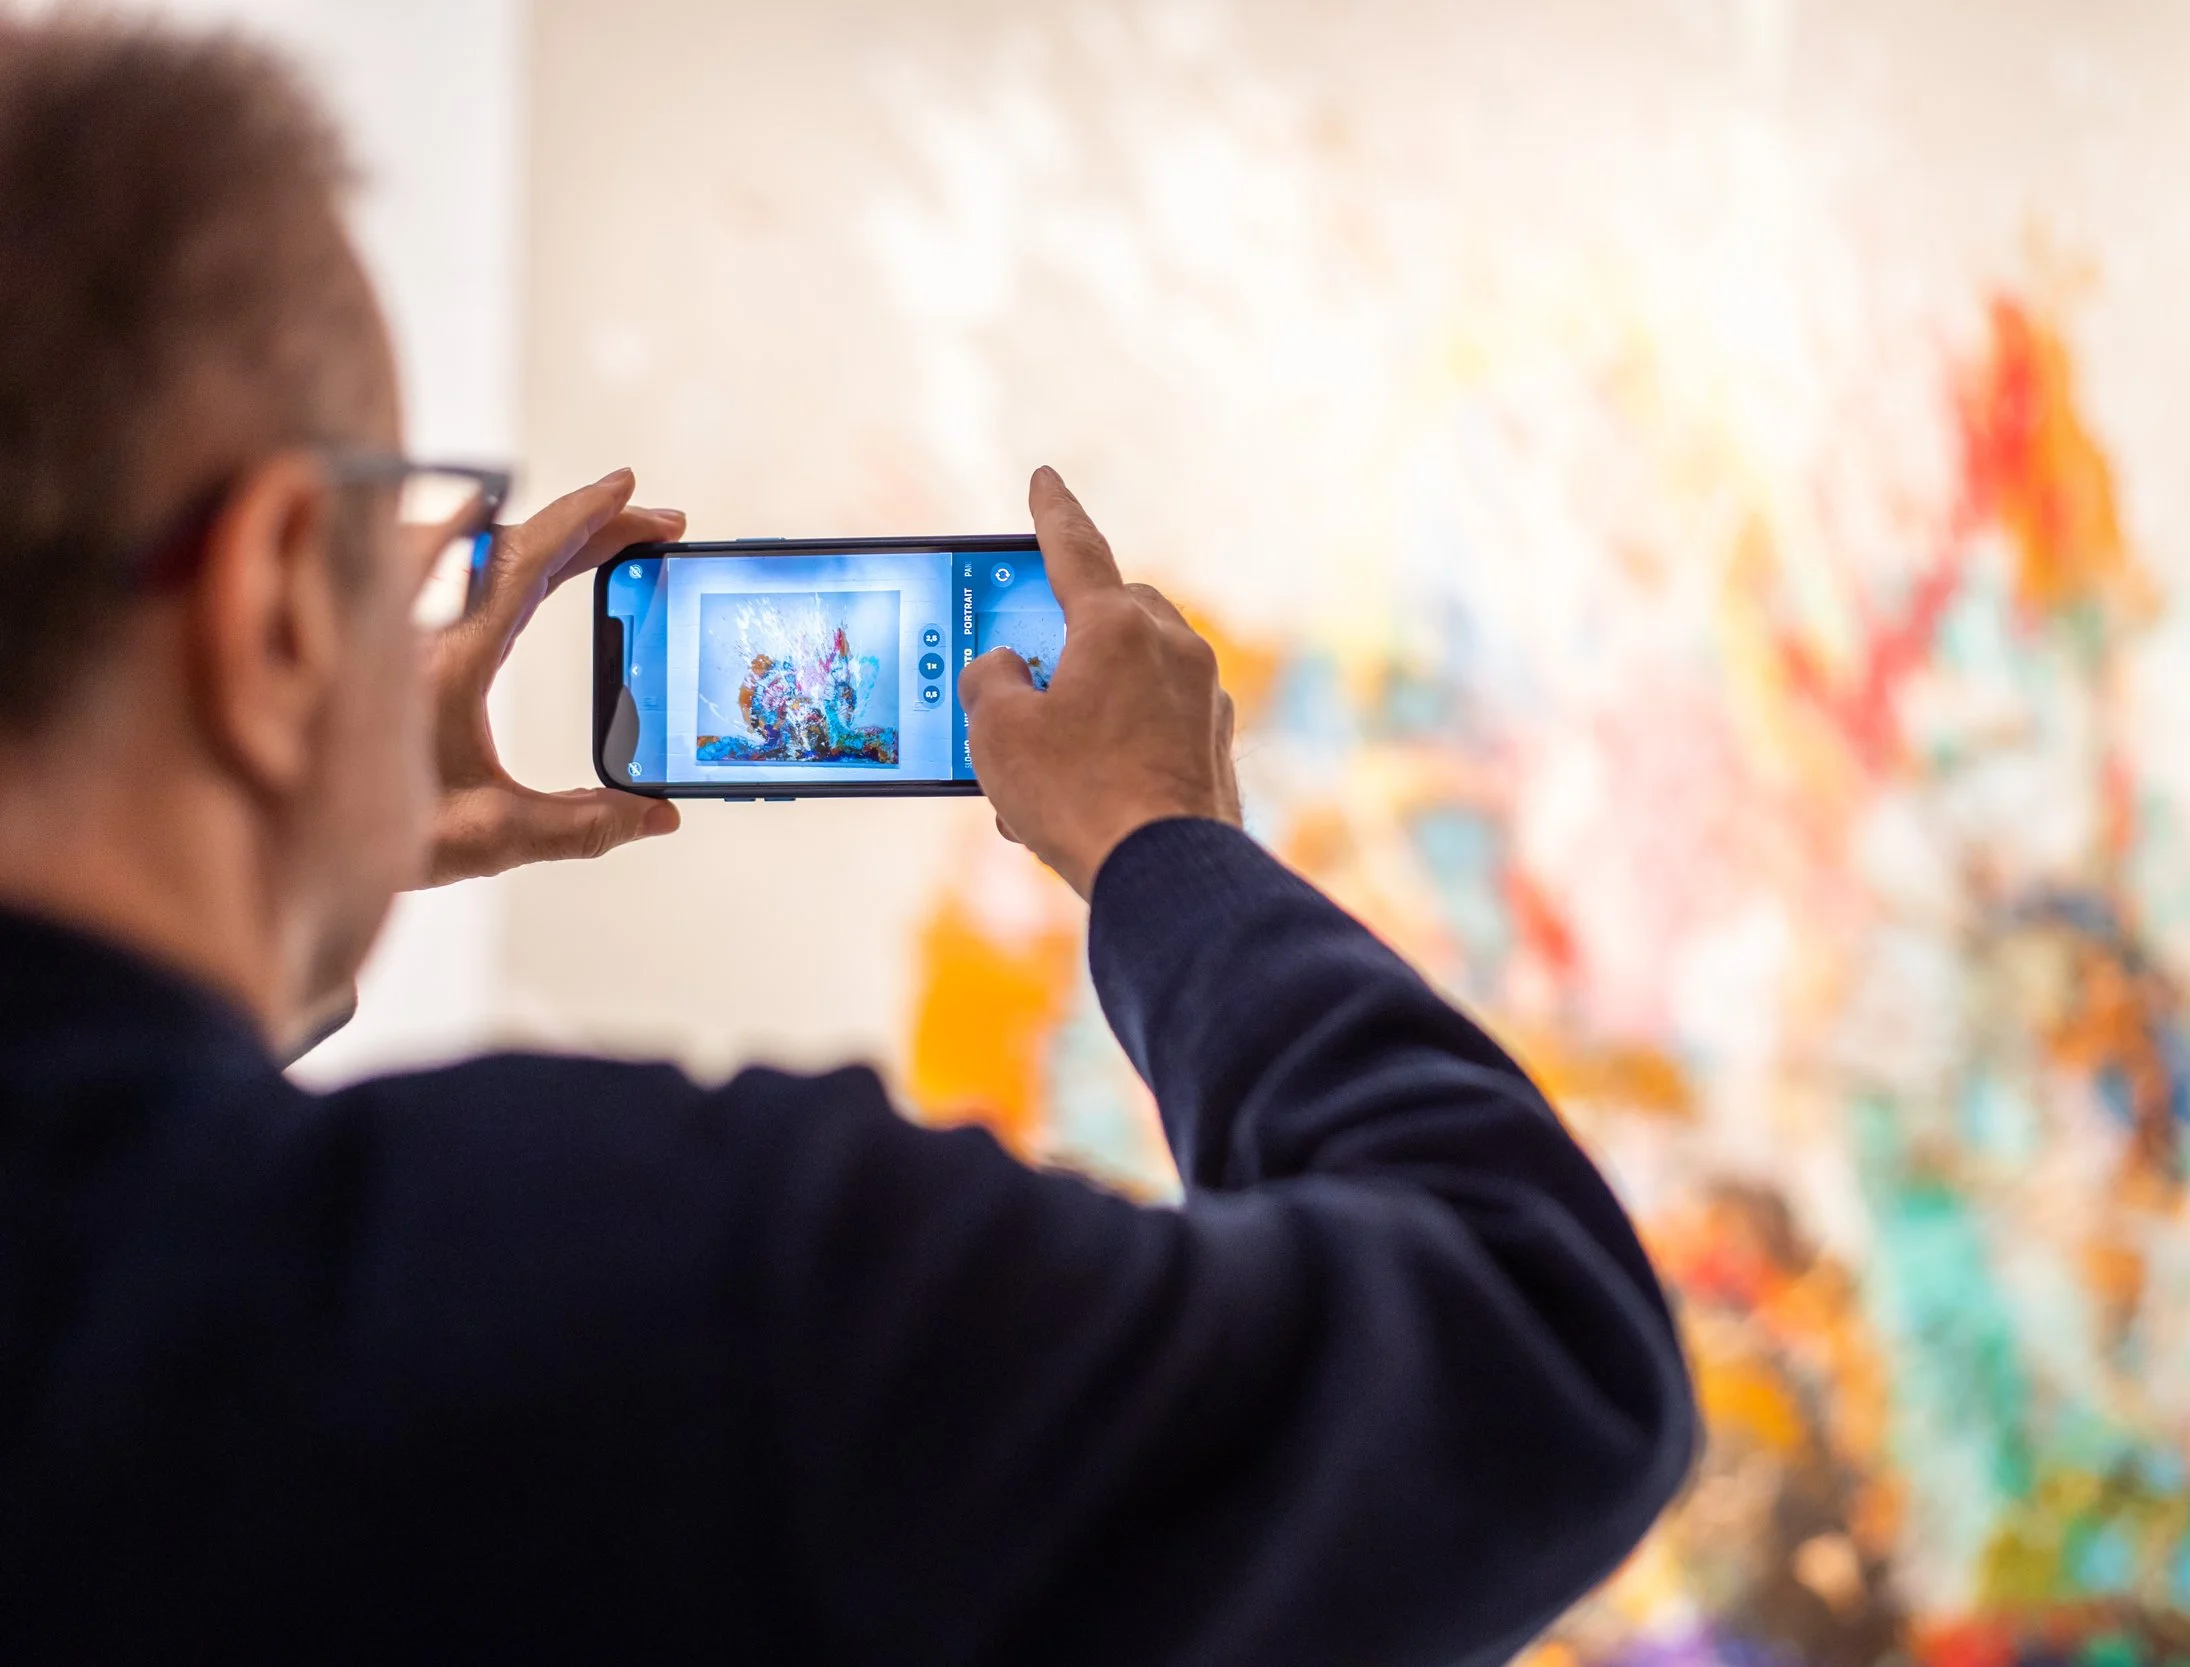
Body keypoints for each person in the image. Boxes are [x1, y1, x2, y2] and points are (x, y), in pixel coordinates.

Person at [0, 16, 1696, 1666]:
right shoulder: (662, 1279)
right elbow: (1539, 1361)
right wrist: (1157, 842)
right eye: (405, 542)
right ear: (279, 601)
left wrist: (296, 863)